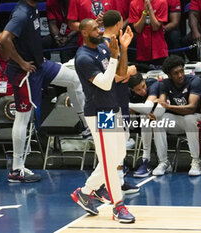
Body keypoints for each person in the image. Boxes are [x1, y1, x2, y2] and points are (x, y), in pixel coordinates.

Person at [0, 0, 87, 183]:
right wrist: (22, 62)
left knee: (73, 79)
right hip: (25, 72)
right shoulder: (22, 13)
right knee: (23, 117)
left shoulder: (34, 8)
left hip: (40, 65)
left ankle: (85, 125)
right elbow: (4, 38)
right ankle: (16, 169)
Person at [70, 18, 135, 223]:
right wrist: (115, 57)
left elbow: (121, 75)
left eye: (99, 28)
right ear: (84, 34)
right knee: (109, 162)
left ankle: (86, 191)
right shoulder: (83, 58)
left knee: (119, 154)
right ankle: (118, 206)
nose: (99, 31)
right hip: (99, 113)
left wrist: (123, 49)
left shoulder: (102, 48)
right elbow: (105, 84)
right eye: (94, 30)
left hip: (112, 109)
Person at [102, 10, 139, 194]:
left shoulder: (108, 43)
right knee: (114, 146)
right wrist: (130, 71)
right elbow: (116, 76)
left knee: (117, 145)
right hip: (110, 102)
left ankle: (117, 180)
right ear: (118, 23)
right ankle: (112, 183)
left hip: (115, 100)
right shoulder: (108, 45)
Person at [156, 55, 201, 176]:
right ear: (169, 75)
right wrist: (154, 112)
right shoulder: (165, 84)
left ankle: (196, 161)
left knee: (189, 118)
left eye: (182, 71)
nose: (180, 75)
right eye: (176, 73)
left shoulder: (195, 81)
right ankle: (164, 162)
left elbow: (191, 108)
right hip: (179, 119)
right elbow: (161, 103)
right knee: (157, 121)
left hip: (197, 118)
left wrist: (169, 107)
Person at [128, 73, 161, 177]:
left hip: (158, 119)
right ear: (132, 90)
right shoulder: (126, 91)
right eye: (138, 90)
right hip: (134, 121)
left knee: (145, 115)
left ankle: (146, 160)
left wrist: (124, 104)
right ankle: (120, 162)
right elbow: (125, 111)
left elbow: (147, 109)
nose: (143, 91)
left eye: (143, 86)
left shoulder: (153, 84)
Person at [129, 0, 168, 65]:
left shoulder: (162, 2)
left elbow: (155, 27)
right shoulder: (134, 3)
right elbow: (138, 29)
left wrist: (150, 9)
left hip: (159, 48)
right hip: (142, 49)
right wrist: (144, 12)